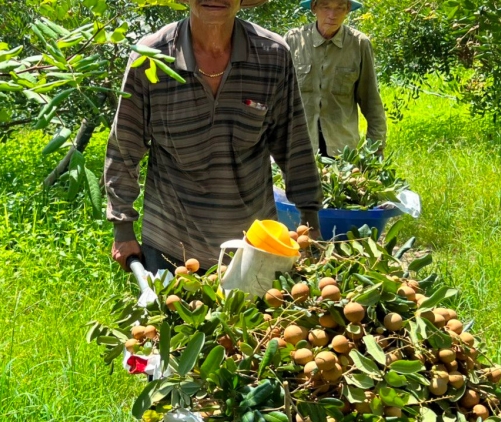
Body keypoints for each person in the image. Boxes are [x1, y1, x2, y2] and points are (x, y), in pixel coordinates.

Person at [104, 0, 323, 274]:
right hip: (170, 245)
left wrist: (310, 221)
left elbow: (294, 142)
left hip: (252, 246)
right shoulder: (152, 58)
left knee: (255, 318)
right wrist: (123, 227)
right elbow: (125, 145)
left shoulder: (272, 55)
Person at [284, 0, 387, 157]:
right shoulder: (293, 41)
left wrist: (375, 149)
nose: (332, 15)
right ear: (314, 8)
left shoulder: (359, 44)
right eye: (326, 7)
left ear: (347, 10)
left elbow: (371, 100)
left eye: (340, 7)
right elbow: (275, 98)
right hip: (298, 147)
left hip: (342, 150)